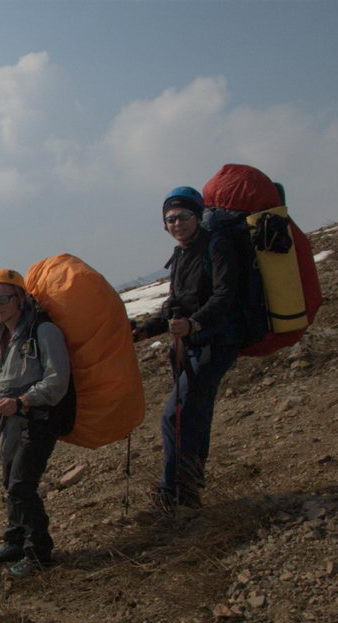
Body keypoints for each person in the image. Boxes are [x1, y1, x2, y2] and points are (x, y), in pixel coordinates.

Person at [131, 186, 243, 510]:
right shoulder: (181, 254)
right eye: (169, 219)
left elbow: (225, 295)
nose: (176, 224)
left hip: (217, 341)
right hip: (191, 344)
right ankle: (186, 491)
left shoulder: (216, 246)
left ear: (197, 216)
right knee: (192, 415)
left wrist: (195, 324)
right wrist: (147, 328)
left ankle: (174, 495)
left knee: (175, 416)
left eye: (182, 216)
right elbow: (176, 304)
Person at [0, 269, 71, 577]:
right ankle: (15, 540)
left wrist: (23, 401)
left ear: (21, 299)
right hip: (14, 423)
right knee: (11, 482)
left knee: (22, 485)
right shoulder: (1, 337)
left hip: (40, 419)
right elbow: (8, 381)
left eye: (3, 299)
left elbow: (57, 380)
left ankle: (38, 554)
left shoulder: (43, 331)